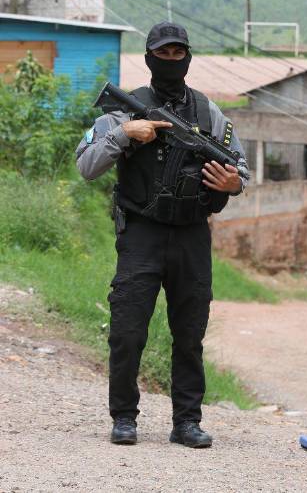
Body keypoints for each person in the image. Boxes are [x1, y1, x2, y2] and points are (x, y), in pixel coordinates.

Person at [75, 22, 250, 447]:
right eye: (163, 53)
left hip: (192, 236)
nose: (171, 60)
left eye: (178, 53)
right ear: (150, 56)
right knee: (128, 330)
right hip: (142, 234)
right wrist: (124, 134)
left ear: (187, 57)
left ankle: (186, 422)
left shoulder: (208, 112)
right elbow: (86, 165)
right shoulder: (125, 109)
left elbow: (240, 169)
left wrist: (233, 184)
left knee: (190, 334)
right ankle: (124, 418)